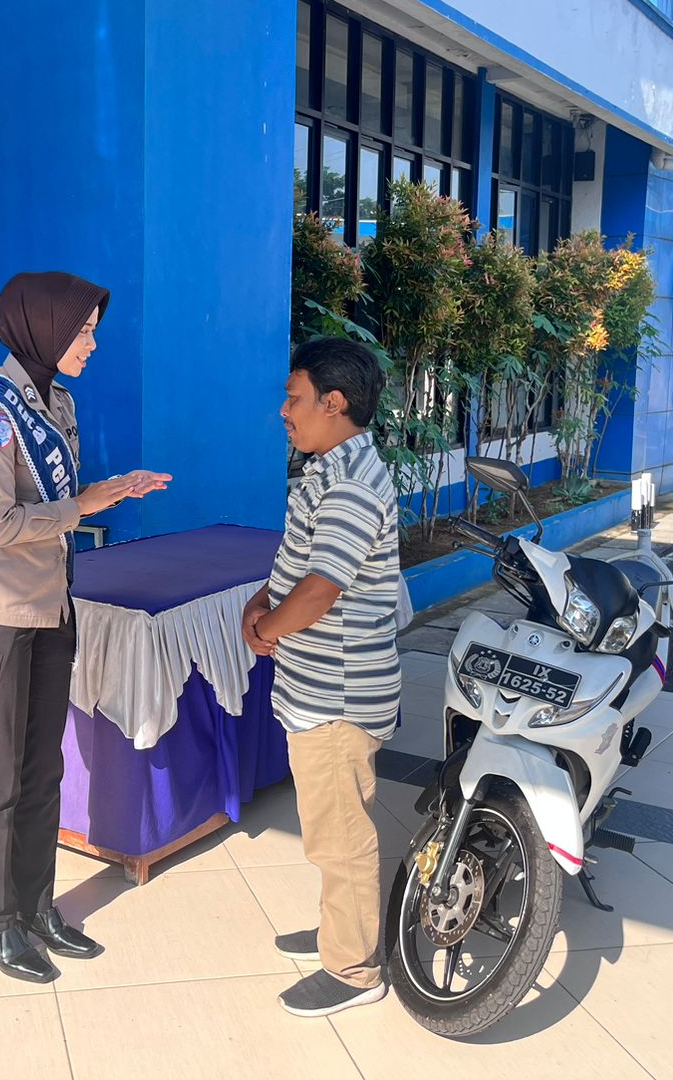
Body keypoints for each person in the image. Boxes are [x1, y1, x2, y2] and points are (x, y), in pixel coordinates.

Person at [0, 271, 171, 984]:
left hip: (46, 608)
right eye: (83, 331)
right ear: (42, 328)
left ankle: (35, 908)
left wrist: (104, 493)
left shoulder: (57, 402)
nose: (92, 344)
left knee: (43, 770)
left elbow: (59, 504)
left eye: (94, 330)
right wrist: (84, 505)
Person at [241, 337, 402, 1018]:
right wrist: (260, 604)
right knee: (329, 826)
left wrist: (266, 629)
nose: (284, 411)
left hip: (337, 696)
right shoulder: (328, 471)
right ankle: (343, 929)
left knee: (340, 835)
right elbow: (297, 566)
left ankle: (354, 967)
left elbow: (321, 588)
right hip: (319, 687)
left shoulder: (352, 484)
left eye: (294, 398)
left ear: (334, 404)